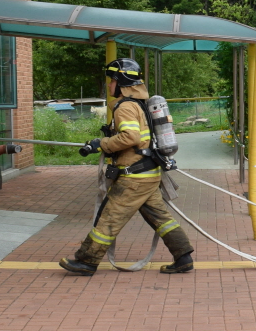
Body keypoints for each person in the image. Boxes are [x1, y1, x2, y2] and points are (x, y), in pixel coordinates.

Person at [59, 59, 194, 276]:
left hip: (135, 179)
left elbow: (130, 137)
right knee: (161, 218)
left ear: (120, 82)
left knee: (110, 217)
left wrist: (101, 144)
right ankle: (183, 257)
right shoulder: (140, 103)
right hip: (148, 174)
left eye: (111, 81)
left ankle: (86, 261)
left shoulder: (125, 106)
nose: (109, 86)